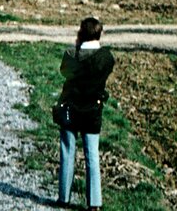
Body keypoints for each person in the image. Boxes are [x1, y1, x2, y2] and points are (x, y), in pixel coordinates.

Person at [54, 16, 115, 209]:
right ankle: (94, 203)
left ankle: (64, 198)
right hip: (92, 111)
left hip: (70, 109)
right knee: (92, 157)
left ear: (81, 33)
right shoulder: (106, 58)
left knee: (67, 152)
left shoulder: (71, 55)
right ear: (99, 33)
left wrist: (77, 46)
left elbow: (64, 72)